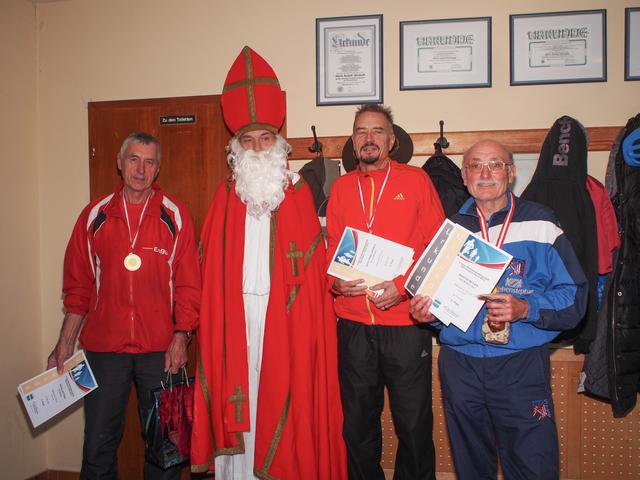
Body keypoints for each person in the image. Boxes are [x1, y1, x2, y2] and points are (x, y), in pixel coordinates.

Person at [191, 46, 346, 479]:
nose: (257, 148)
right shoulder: (225, 195)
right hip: (235, 317)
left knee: (279, 395)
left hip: (286, 318)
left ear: (278, 144)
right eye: (248, 140)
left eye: (264, 139)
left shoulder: (298, 193)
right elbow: (209, 271)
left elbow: (312, 277)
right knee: (240, 400)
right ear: (236, 147)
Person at [409, 139, 588, 480]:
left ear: (511, 173)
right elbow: (439, 301)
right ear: (464, 177)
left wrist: (526, 308)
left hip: (519, 365)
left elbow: (575, 298)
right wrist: (429, 314)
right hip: (460, 365)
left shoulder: (542, 223)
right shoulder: (451, 230)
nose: (485, 173)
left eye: (495, 164)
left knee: (532, 465)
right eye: (476, 165)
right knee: (471, 467)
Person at [47, 131, 201, 479]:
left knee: (166, 449)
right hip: (105, 351)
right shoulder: (94, 215)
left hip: (161, 351)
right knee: (97, 445)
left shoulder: (175, 215)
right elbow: (78, 286)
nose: (141, 170)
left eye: (149, 162)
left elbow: (189, 285)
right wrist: (65, 342)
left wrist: (181, 336)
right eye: (134, 159)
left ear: (158, 169)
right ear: (119, 163)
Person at [326, 104, 445, 480]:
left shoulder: (417, 181)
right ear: (353, 141)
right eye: (361, 131)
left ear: (392, 141)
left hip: (404, 324)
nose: (369, 138)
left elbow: (438, 247)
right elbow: (332, 249)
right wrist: (334, 282)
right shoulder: (340, 188)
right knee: (357, 425)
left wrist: (403, 287)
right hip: (354, 326)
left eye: (377, 131)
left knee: (413, 424)